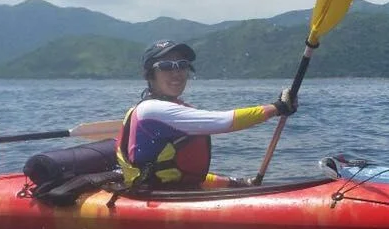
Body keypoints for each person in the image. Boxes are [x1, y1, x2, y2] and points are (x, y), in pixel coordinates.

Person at [116, 39, 296, 190]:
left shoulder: (176, 109)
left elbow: (181, 172)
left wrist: (235, 184)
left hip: (175, 192)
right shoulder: (151, 110)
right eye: (166, 66)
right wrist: (277, 107)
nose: (176, 72)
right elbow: (225, 121)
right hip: (151, 197)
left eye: (182, 65)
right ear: (150, 75)